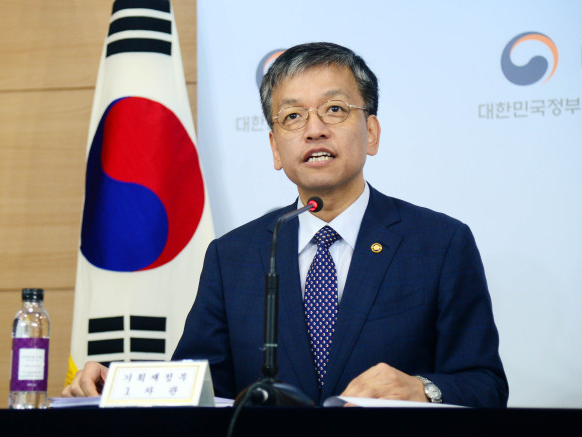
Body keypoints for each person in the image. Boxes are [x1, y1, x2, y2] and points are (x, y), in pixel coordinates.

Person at [63, 42, 508, 407]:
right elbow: (197, 390)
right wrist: (116, 385)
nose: (313, 130)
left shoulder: (440, 243)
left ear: (371, 132)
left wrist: (424, 389)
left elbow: (486, 384)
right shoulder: (234, 256)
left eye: (334, 109)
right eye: (293, 116)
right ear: (276, 149)